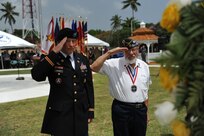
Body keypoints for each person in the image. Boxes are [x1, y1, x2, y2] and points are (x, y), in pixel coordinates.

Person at [31, 28, 94, 136]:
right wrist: (54, 52)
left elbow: (88, 85)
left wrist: (91, 109)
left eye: (73, 41)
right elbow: (37, 75)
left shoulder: (82, 59)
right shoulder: (52, 59)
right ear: (59, 43)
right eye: (67, 41)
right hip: (61, 115)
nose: (71, 44)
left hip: (80, 113)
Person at [90, 38, 151, 136]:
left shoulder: (144, 66)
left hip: (140, 110)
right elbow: (93, 67)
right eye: (127, 50)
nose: (131, 53)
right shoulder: (113, 64)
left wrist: (146, 112)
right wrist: (109, 53)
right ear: (122, 51)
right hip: (121, 109)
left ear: (138, 49)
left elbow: (145, 92)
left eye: (134, 49)